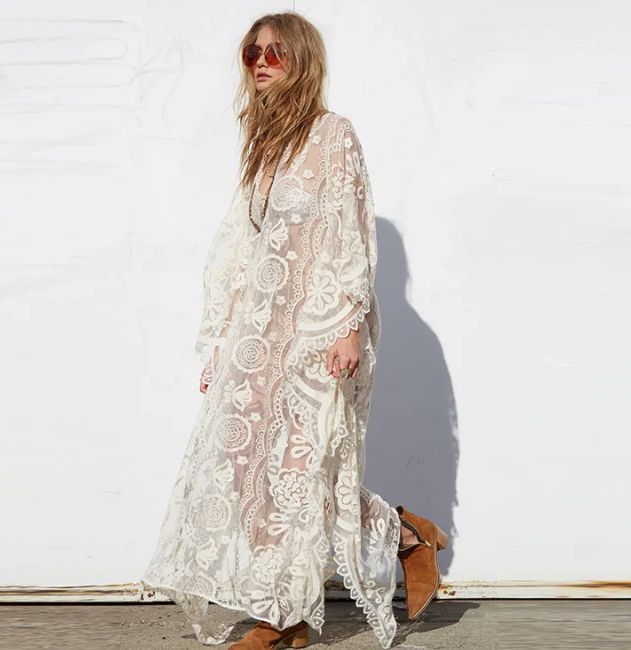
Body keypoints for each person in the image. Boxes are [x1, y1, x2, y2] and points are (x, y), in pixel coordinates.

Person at [140, 11, 447, 650]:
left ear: (302, 59)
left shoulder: (334, 135)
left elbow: (349, 233)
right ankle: (403, 535)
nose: (260, 62)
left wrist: (348, 324)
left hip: (317, 332)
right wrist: (223, 341)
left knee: (300, 471)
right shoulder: (262, 145)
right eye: (251, 52)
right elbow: (243, 252)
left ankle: (283, 618)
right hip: (259, 336)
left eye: (275, 52)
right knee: (250, 469)